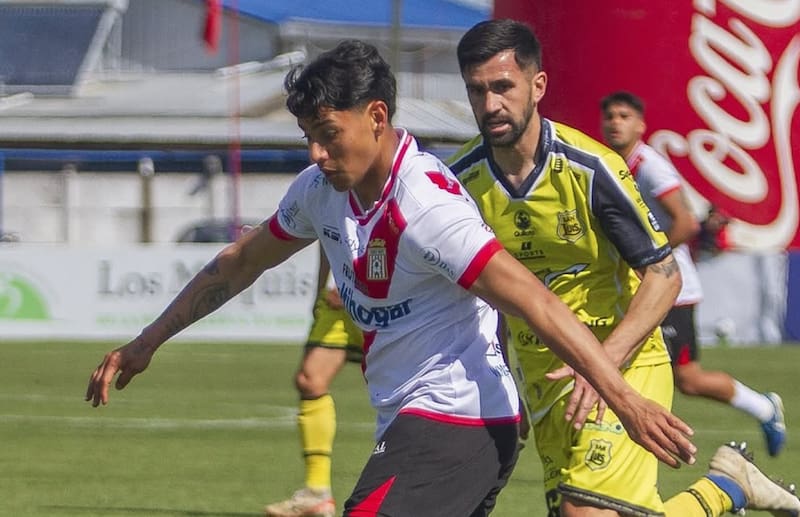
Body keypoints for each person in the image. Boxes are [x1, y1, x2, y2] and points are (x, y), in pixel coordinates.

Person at [86, 39, 699, 517]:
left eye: (329, 137)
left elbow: (533, 300)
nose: (316, 156)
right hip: (412, 421)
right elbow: (240, 263)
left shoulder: (428, 206)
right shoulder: (321, 191)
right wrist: (147, 341)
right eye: (308, 138)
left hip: (462, 422)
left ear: (376, 117)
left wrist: (627, 402)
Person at [448, 19, 800, 517]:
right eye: (477, 91)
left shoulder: (591, 169)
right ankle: (727, 488)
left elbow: (664, 276)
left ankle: (729, 486)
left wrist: (602, 367)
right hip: (542, 379)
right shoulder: (460, 181)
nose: (490, 105)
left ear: (538, 85)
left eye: (503, 87)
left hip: (625, 360)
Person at [600, 90, 787, 459]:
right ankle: (615, 442)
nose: (614, 122)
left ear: (641, 125)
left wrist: (648, 259)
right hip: (647, 284)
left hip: (671, 289)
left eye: (623, 116)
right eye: (609, 116)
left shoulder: (649, 166)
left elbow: (685, 223)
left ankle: (763, 408)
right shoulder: (612, 164)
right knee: (629, 363)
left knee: (684, 378)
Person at [264, 249, 363, 517]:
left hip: (380, 295)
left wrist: (357, 285)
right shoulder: (326, 203)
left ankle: (420, 485)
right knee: (310, 380)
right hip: (335, 302)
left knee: (399, 389)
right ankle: (316, 494)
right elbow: (327, 235)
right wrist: (321, 288)